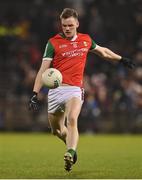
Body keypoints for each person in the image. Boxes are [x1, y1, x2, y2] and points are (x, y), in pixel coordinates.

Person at [29, 8, 135, 171]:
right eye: (64, 25)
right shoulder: (53, 43)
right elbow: (43, 70)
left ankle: (71, 152)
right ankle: (69, 143)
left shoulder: (86, 40)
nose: (67, 28)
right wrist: (34, 94)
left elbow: (103, 52)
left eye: (70, 25)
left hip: (74, 89)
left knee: (72, 119)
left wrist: (121, 59)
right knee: (56, 130)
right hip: (56, 91)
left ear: (77, 24)